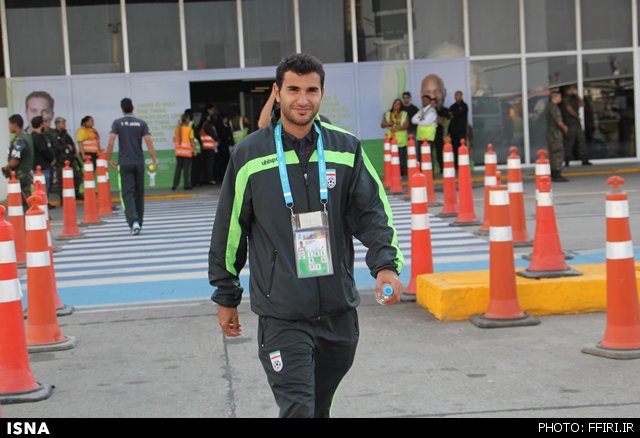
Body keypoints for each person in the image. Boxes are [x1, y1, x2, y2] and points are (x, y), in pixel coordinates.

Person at [208, 53, 404, 418]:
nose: (302, 99)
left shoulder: (346, 149)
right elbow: (229, 229)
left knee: (317, 408)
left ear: (321, 93)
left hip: (337, 313)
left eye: (311, 90)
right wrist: (226, 294)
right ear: (277, 93)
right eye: (293, 89)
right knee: (298, 408)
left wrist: (385, 266)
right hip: (283, 315)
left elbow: (373, 212)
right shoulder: (250, 155)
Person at [106, 98, 157, 236]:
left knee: (127, 193)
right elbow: (149, 142)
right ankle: (139, 221)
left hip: (124, 162)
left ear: (122, 109)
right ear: (132, 107)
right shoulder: (141, 123)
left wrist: (109, 158)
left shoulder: (117, 123)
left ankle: (134, 222)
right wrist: (154, 160)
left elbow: (111, 141)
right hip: (138, 162)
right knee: (139, 193)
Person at [2, 114, 34, 209]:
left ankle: (32, 221)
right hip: (26, 174)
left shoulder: (20, 140)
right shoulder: (27, 136)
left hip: (21, 175)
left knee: (26, 203)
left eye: (10, 124)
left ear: (15, 125)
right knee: (26, 201)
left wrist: (6, 168)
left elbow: (15, 160)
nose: (9, 126)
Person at [420, 74, 448, 172]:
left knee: (440, 152)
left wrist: (438, 119)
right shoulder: (426, 111)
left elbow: (442, 121)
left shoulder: (442, 110)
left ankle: (442, 168)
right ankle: (429, 169)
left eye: (434, 102)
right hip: (429, 135)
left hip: (439, 134)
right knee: (428, 153)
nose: (432, 104)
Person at [561, 85, 591, 166]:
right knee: (570, 141)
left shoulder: (574, 98)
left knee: (581, 140)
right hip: (570, 122)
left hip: (576, 123)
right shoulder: (565, 98)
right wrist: (577, 116)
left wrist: (578, 95)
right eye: (573, 89)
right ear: (569, 89)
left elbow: (582, 104)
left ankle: (584, 159)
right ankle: (567, 160)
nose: (574, 90)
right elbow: (569, 109)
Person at [54, 116, 83, 200]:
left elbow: (71, 144)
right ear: (58, 124)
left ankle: (76, 192)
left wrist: (74, 151)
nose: (64, 125)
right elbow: (56, 147)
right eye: (63, 123)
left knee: (77, 176)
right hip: (61, 161)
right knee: (62, 180)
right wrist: (66, 146)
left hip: (70, 159)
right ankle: (63, 197)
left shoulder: (65, 135)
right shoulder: (54, 135)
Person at [380, 98, 409, 177]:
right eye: (395, 103)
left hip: (401, 139)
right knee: (391, 157)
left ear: (401, 106)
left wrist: (397, 128)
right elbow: (382, 125)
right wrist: (387, 124)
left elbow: (406, 125)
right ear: (393, 105)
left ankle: (402, 174)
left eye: (398, 104)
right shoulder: (387, 114)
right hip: (391, 139)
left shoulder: (404, 113)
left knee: (401, 158)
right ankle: (393, 174)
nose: (397, 105)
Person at [546, 91, 569, 182]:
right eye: (559, 97)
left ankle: (553, 173)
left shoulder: (548, 107)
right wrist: (565, 128)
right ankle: (557, 173)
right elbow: (558, 121)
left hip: (550, 132)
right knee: (558, 152)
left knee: (553, 152)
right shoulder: (554, 108)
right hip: (554, 133)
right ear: (555, 97)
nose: (561, 99)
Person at [412, 94, 437, 173]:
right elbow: (413, 120)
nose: (423, 102)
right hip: (420, 137)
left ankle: (430, 174)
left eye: (425, 100)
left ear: (429, 101)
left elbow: (427, 122)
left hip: (428, 137)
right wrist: (421, 121)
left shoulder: (432, 111)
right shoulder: (421, 110)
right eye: (422, 100)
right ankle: (421, 173)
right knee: (420, 156)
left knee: (428, 157)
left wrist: (419, 121)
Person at [31, 116, 55, 197]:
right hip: (43, 166)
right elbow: (44, 150)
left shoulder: (32, 136)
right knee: (44, 186)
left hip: (36, 165)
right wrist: (51, 158)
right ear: (41, 125)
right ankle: (44, 203)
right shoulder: (38, 137)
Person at [172, 113, 195, 191]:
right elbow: (192, 141)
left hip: (179, 152)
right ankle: (186, 185)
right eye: (189, 119)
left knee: (178, 168)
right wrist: (193, 150)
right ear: (187, 120)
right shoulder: (189, 129)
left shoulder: (177, 129)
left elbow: (174, 139)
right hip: (186, 152)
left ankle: (174, 185)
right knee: (186, 169)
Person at [198, 104, 219, 185]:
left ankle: (206, 179)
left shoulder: (202, 124)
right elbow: (213, 134)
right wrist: (217, 139)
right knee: (209, 164)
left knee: (206, 164)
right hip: (209, 147)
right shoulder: (207, 124)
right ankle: (210, 179)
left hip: (204, 147)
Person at [449, 90, 468, 168]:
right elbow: (450, 116)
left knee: (462, 149)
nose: (456, 97)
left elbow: (456, 114)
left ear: (461, 96)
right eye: (455, 95)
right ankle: (456, 165)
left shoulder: (464, 106)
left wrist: (453, 114)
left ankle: (463, 165)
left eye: (458, 95)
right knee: (454, 149)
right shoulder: (453, 106)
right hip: (453, 132)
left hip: (461, 131)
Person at [401, 91, 419, 156]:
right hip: (402, 131)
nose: (406, 99)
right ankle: (405, 164)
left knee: (414, 148)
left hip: (413, 131)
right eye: (404, 98)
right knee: (404, 149)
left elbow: (418, 120)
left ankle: (415, 164)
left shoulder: (414, 108)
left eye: (407, 98)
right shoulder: (400, 108)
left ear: (410, 98)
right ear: (402, 98)